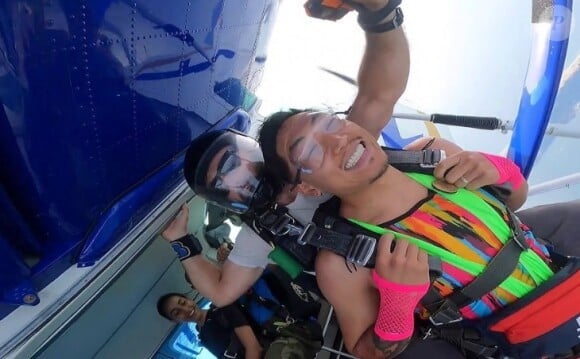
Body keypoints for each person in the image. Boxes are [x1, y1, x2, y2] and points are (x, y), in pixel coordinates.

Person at [257, 99, 580, 358]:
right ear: (309, 189)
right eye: (310, 150)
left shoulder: (434, 156)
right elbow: (368, 351)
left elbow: (515, 201)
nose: (337, 140)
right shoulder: (341, 262)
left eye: (330, 123)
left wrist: (501, 171)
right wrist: (397, 307)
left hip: (566, 274)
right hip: (533, 341)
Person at [161, 0, 411, 307]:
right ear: (226, 200)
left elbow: (378, 94)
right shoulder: (262, 233)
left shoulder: (323, 160)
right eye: (225, 185)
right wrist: (179, 241)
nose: (238, 181)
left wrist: (380, 14)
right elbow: (221, 293)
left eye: (234, 163)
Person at [157, 293, 264, 359]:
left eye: (183, 302)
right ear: (175, 321)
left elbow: (254, 348)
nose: (186, 310)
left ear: (190, 299)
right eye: (177, 313)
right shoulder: (202, 337)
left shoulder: (224, 310)